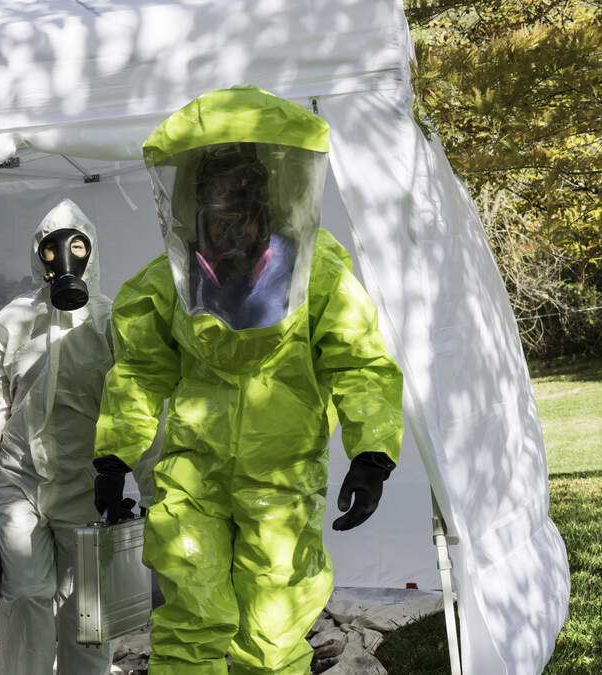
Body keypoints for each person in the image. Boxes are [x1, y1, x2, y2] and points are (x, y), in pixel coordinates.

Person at [92, 86, 404, 675]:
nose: (228, 224)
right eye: (216, 208)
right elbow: (139, 370)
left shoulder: (316, 273)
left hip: (281, 476)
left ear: (266, 202)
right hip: (194, 474)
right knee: (191, 620)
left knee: (272, 631)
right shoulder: (170, 282)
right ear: (195, 204)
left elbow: (358, 360)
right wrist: (113, 456)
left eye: (239, 204)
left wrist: (372, 454)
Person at [0, 198, 115, 675]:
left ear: (92, 251)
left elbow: (137, 402)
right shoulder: (13, 320)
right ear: (39, 255)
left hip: (85, 482)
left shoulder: (110, 321)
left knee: (86, 606)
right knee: (27, 593)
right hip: (19, 478)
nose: (65, 257)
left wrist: (136, 481)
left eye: (77, 246)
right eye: (52, 248)